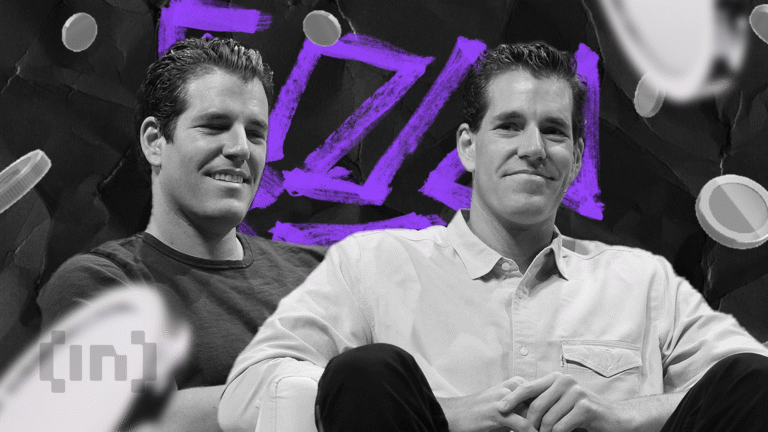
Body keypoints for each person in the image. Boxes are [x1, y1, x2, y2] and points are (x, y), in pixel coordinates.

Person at [218, 42, 768, 432]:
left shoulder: (641, 281)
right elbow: (247, 393)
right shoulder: (374, 263)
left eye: (554, 131)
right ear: (468, 146)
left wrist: (617, 416)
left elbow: (752, 385)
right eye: (509, 126)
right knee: (368, 373)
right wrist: (439, 415)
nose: (533, 148)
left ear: (576, 158)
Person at [37, 37, 326, 432]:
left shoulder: (321, 273)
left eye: (256, 133)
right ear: (154, 142)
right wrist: (312, 392)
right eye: (215, 126)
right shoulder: (102, 284)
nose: (240, 148)